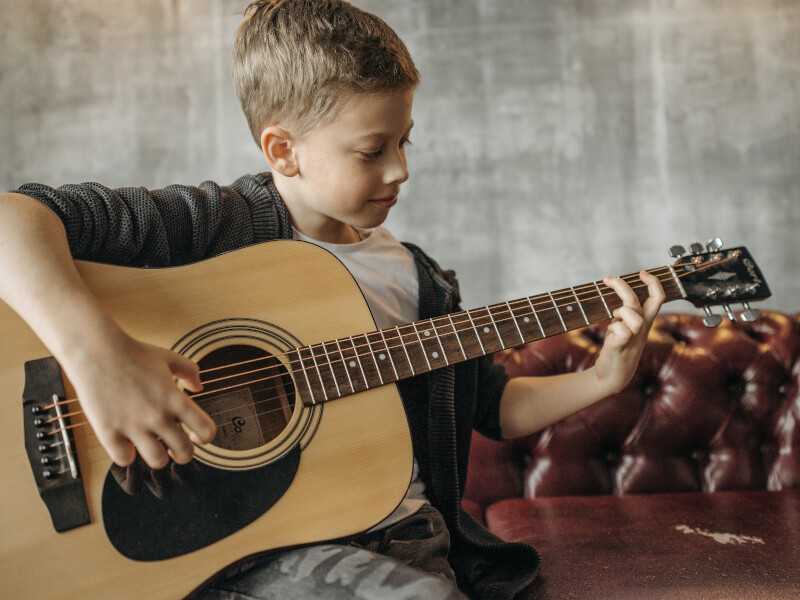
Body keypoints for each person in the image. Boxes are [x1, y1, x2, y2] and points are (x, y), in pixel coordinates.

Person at [0, 1, 665, 598]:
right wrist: (99, 358)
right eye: (373, 151)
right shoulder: (210, 227)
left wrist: (603, 379)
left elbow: (494, 407)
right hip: (241, 554)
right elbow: (11, 219)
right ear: (283, 151)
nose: (400, 169)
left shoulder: (418, 280)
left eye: (404, 141)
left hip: (398, 541)